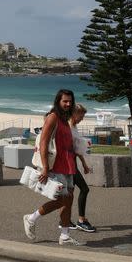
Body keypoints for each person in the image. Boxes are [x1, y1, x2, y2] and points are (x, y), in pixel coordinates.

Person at [23, 89, 84, 246]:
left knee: (68, 200)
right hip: (56, 166)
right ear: (58, 101)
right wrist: (45, 167)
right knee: (62, 199)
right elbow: (43, 142)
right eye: (65, 101)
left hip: (69, 166)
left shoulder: (65, 119)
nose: (68, 104)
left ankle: (64, 235)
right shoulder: (53, 117)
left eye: (70, 101)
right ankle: (31, 218)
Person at [70, 104, 96, 233]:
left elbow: (77, 148)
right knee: (84, 189)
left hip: (72, 162)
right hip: (68, 164)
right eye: (81, 115)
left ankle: (65, 220)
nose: (82, 118)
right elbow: (71, 148)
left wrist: (84, 163)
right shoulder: (69, 127)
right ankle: (81, 220)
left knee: (69, 193)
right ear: (74, 113)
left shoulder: (74, 127)